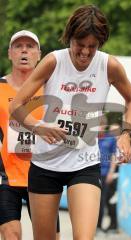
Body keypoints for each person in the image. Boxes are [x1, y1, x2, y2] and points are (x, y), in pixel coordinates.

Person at [10, 5, 131, 240]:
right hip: (45, 165)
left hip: (84, 163)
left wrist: (126, 134)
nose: (86, 53)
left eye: (93, 46)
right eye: (80, 45)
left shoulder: (109, 65)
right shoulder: (53, 61)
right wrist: (38, 126)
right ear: (70, 38)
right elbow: (16, 105)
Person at [0, 30, 60, 240]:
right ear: (10, 53)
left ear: (39, 54)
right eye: (18, 46)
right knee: (11, 235)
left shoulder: (52, 89)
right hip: (6, 177)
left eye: (30, 46)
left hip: (44, 174)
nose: (24, 51)